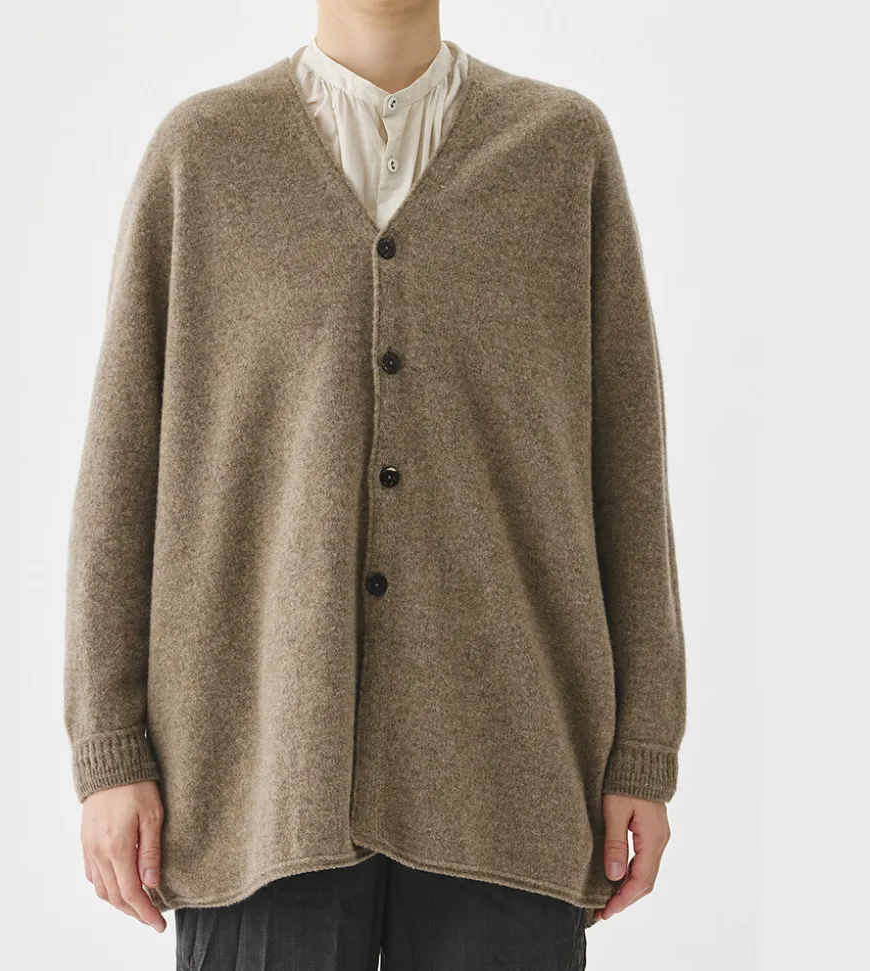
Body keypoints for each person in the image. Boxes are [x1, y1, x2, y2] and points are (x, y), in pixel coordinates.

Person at [64, 2, 687, 968]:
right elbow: (120, 476)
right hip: (258, 782)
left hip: (511, 772)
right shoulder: (203, 157)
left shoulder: (562, 154)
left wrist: (644, 743)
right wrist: (109, 748)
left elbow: (629, 475)